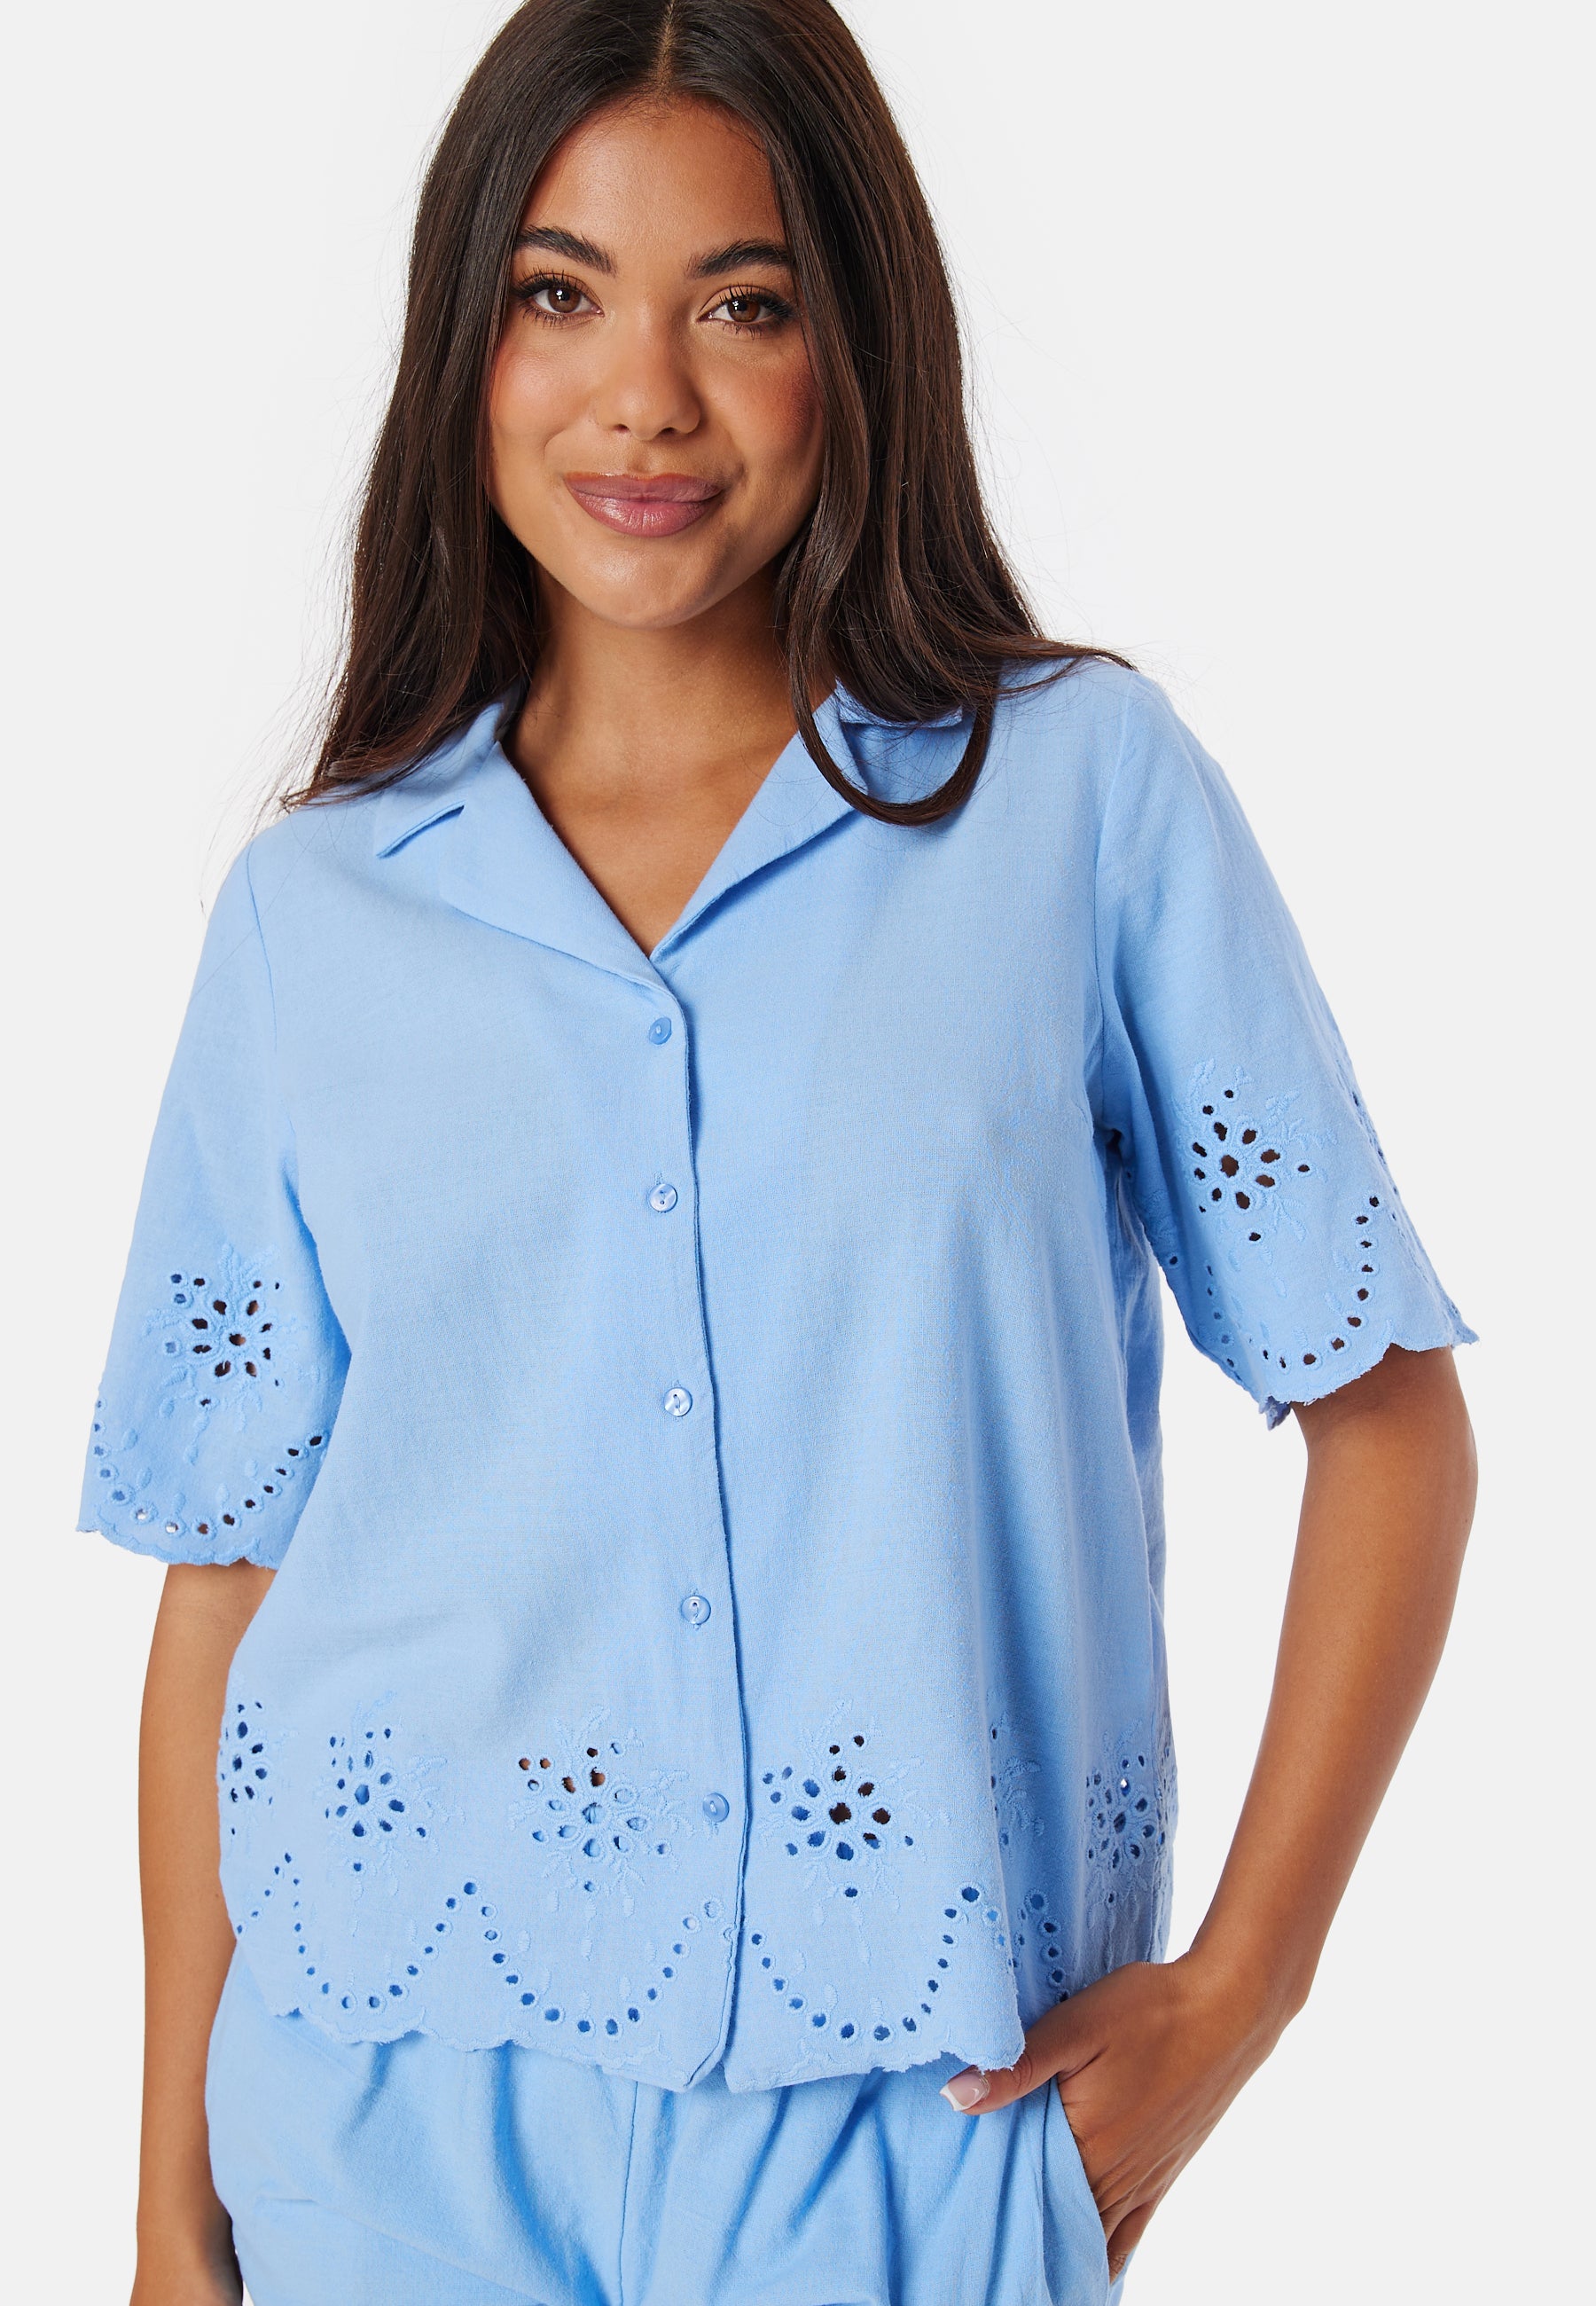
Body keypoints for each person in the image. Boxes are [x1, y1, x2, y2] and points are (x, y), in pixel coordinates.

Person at [81, 4, 1478, 2302]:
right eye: (558, 294)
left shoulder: (1074, 802)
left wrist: (1245, 1991)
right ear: (461, 345)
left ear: (859, 344)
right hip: (374, 2117)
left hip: (928, 2118)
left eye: (743, 303)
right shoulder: (317, 912)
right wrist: (164, 2220)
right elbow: (223, 1577)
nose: (644, 396)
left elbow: (1390, 1411)